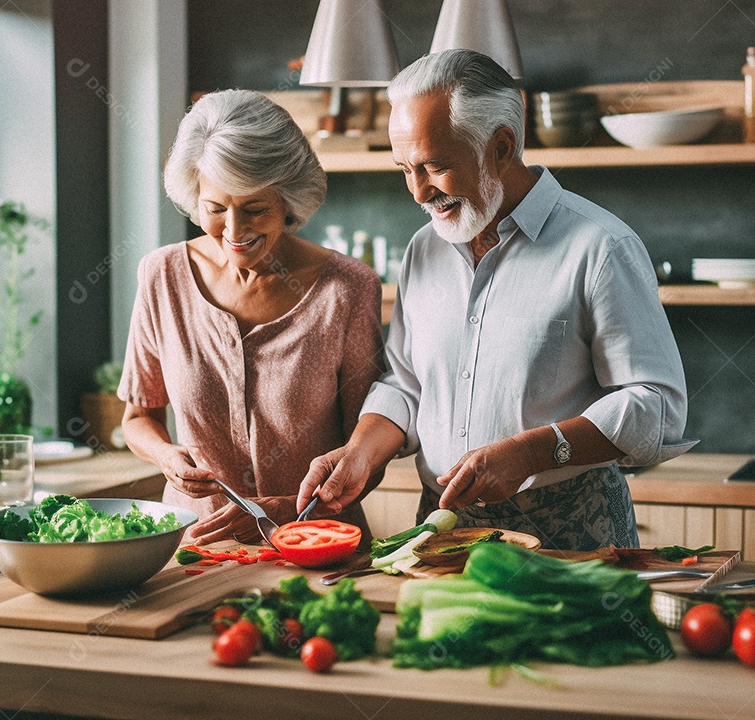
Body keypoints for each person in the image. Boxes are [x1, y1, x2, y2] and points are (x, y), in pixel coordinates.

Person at [298, 50, 696, 550]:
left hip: (571, 529)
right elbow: (408, 384)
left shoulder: (600, 247)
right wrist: (359, 452)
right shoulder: (423, 249)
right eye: (405, 169)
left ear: (502, 147)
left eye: (435, 167)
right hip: (443, 526)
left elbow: (656, 405)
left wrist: (531, 453)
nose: (418, 192)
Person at [119, 89, 384, 544]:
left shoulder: (348, 289)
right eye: (215, 209)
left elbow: (368, 453)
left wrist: (289, 509)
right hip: (198, 550)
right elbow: (138, 417)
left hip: (317, 545)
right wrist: (165, 456)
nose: (234, 230)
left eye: (255, 209)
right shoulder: (162, 276)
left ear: (288, 200)